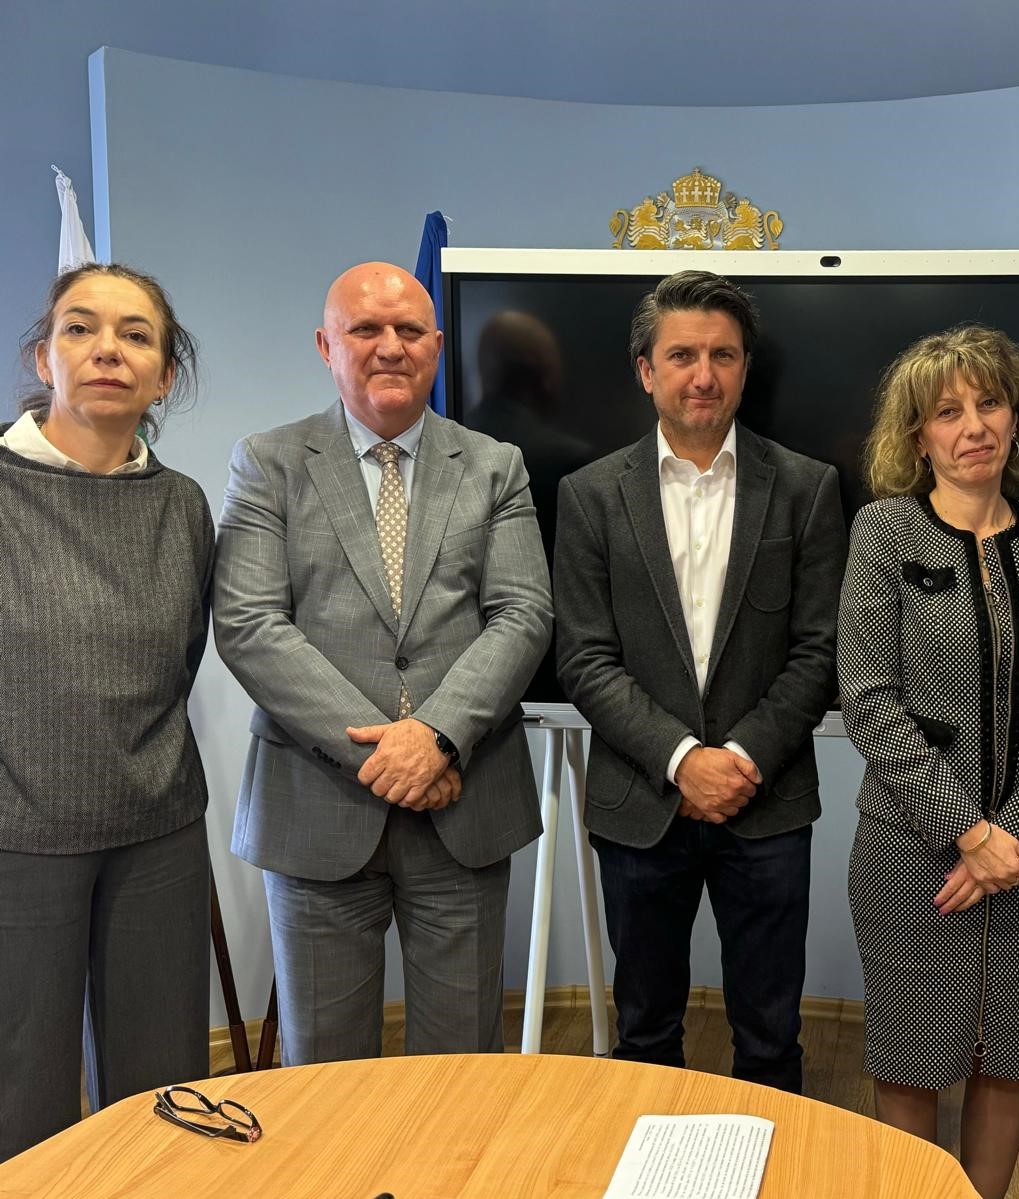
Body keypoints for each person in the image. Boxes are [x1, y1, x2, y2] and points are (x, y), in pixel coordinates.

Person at [213, 262, 550, 1064]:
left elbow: (523, 613)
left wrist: (435, 737)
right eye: (365, 329)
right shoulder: (267, 461)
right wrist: (390, 754)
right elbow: (250, 624)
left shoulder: (496, 465)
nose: (389, 346)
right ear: (326, 345)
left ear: (437, 345)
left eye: (408, 330)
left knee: (461, 1072)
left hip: (462, 804)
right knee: (324, 1077)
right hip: (316, 809)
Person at [553, 270, 845, 1095]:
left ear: (746, 368)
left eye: (723, 355)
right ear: (646, 370)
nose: (703, 375)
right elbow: (584, 657)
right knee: (644, 1032)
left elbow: (820, 649)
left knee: (771, 1035)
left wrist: (739, 759)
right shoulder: (589, 495)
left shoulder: (807, 488)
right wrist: (683, 760)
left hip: (767, 800)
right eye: (682, 355)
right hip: (640, 804)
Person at [836, 324, 1019, 1199]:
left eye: (990, 404)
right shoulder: (883, 531)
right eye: (947, 412)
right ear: (919, 436)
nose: (973, 425)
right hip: (911, 852)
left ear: (1017, 420)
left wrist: (1010, 837)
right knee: (910, 1060)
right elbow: (868, 701)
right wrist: (968, 832)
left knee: (1005, 1059)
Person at [0, 264, 211, 1160]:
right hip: (17, 836)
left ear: (165, 376)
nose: (107, 351)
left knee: (163, 1090)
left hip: (158, 830)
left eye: (135, 335)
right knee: (21, 1092)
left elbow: (181, 656)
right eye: (80, 328)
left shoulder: (183, 505)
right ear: (43, 356)